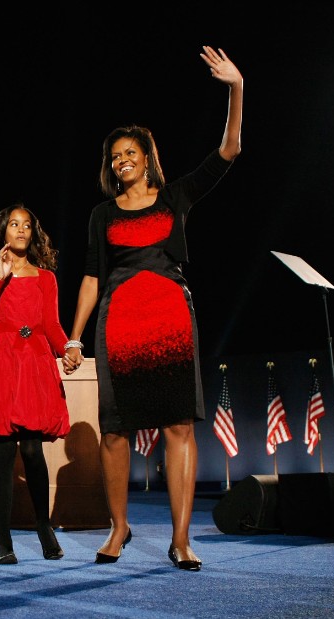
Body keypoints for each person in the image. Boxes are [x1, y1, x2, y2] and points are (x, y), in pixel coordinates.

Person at [64, 45, 243, 571]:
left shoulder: (177, 196)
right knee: (116, 429)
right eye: (114, 156)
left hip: (169, 320)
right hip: (118, 325)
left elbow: (229, 150)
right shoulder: (101, 214)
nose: (121, 161)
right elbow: (92, 278)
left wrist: (236, 87)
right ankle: (119, 527)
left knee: (178, 428)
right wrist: (75, 337)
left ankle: (182, 539)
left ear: (147, 157)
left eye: (130, 153)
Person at [0, 204, 72, 564]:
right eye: (13, 224)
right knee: (2, 458)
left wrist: (69, 349)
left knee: (32, 451)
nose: (20, 230)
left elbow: (52, 325)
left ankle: (44, 527)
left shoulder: (46, 278)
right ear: (2, 231)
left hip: (33, 367)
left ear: (33, 233)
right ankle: (3, 542)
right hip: (0, 366)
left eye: (26, 225)